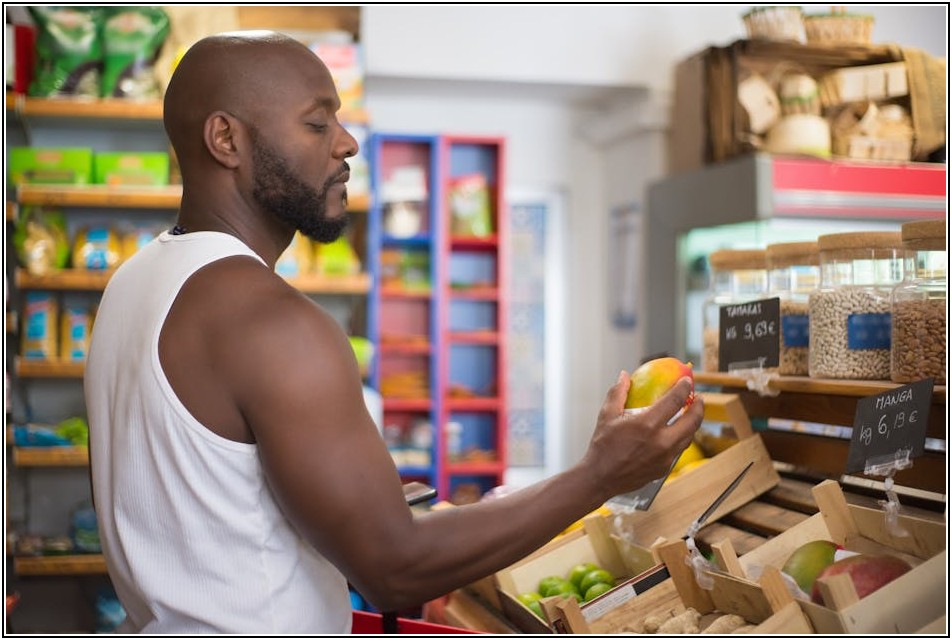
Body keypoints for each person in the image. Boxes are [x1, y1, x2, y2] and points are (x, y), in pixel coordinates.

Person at [84, 31, 704, 634]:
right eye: (317, 123)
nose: (348, 143)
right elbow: (395, 569)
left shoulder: (135, 282)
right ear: (227, 139)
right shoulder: (271, 322)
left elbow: (208, 506)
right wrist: (599, 476)